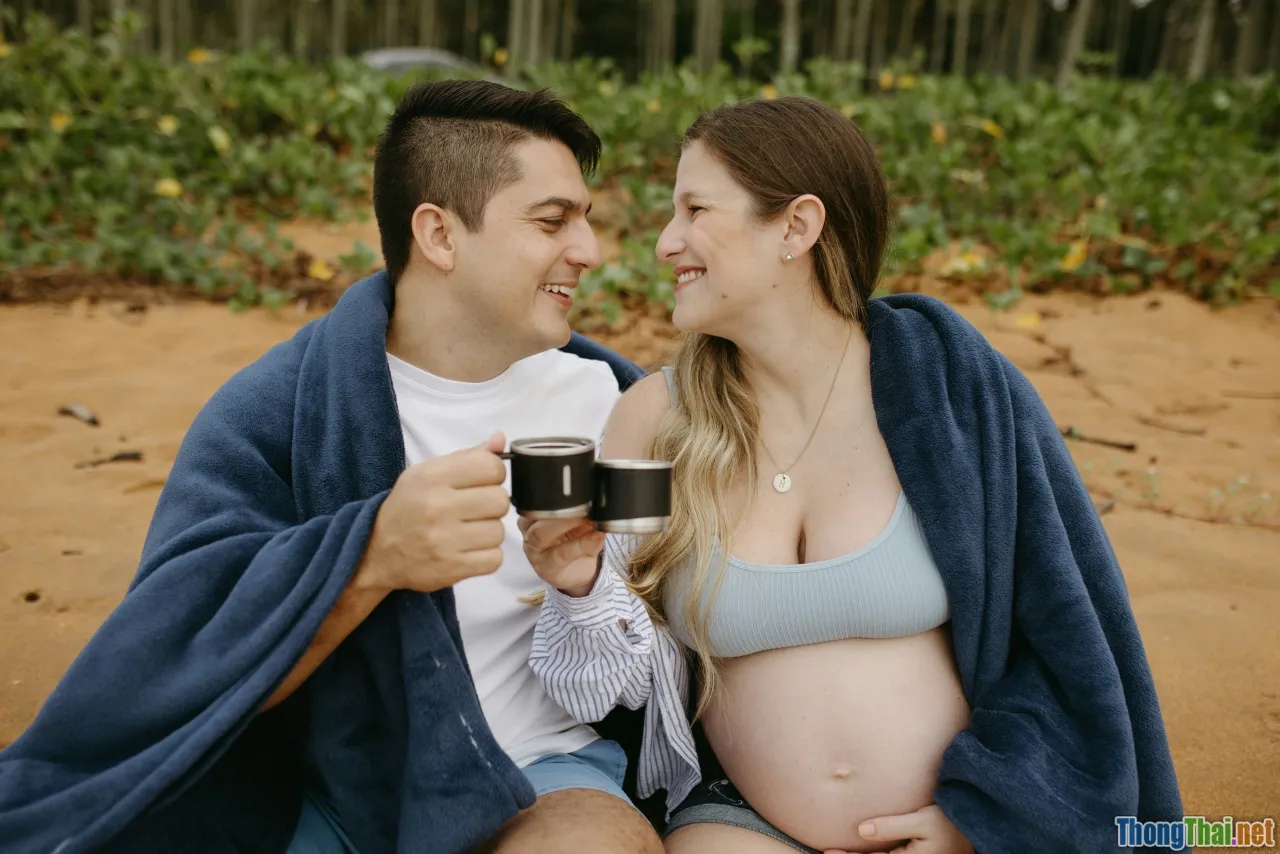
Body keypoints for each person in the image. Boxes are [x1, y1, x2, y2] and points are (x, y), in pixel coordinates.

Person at [0, 80, 665, 854]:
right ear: (440, 235)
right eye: (553, 222)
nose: (589, 251)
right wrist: (374, 555)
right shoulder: (274, 412)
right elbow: (188, 672)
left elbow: (672, 642)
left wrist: (585, 585)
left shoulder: (610, 400)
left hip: (542, 773)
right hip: (333, 786)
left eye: (586, 220)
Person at [521, 96, 1184, 854]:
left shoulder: (946, 391)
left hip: (961, 821)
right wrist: (580, 589)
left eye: (696, 208)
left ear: (797, 228)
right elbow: (614, 690)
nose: (668, 241)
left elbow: (1066, 634)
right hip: (745, 822)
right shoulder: (652, 425)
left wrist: (988, 815)